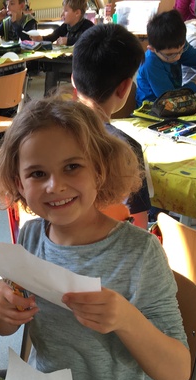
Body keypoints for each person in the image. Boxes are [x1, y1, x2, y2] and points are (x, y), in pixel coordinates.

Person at [0, 95, 190, 380]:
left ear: (100, 169)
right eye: (37, 174)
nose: (54, 185)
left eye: (72, 167)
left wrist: (126, 319)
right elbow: (3, 328)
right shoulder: (31, 237)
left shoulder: (140, 254)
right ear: (19, 183)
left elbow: (177, 374)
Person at [72, 24, 150, 228]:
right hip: (105, 244)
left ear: (73, 80)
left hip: (45, 242)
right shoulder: (126, 148)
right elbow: (139, 227)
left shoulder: (44, 133)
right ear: (125, 87)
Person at [135, 9, 196, 107]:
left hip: (173, 105)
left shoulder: (179, 46)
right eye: (170, 55)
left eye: (181, 50)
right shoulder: (150, 64)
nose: (178, 57)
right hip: (151, 110)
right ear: (152, 49)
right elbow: (170, 99)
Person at [29, 0, 94, 46]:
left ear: (77, 13)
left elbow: (88, 43)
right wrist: (41, 39)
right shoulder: (65, 26)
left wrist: (68, 41)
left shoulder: (89, 27)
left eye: (66, 11)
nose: (62, 14)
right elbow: (52, 37)